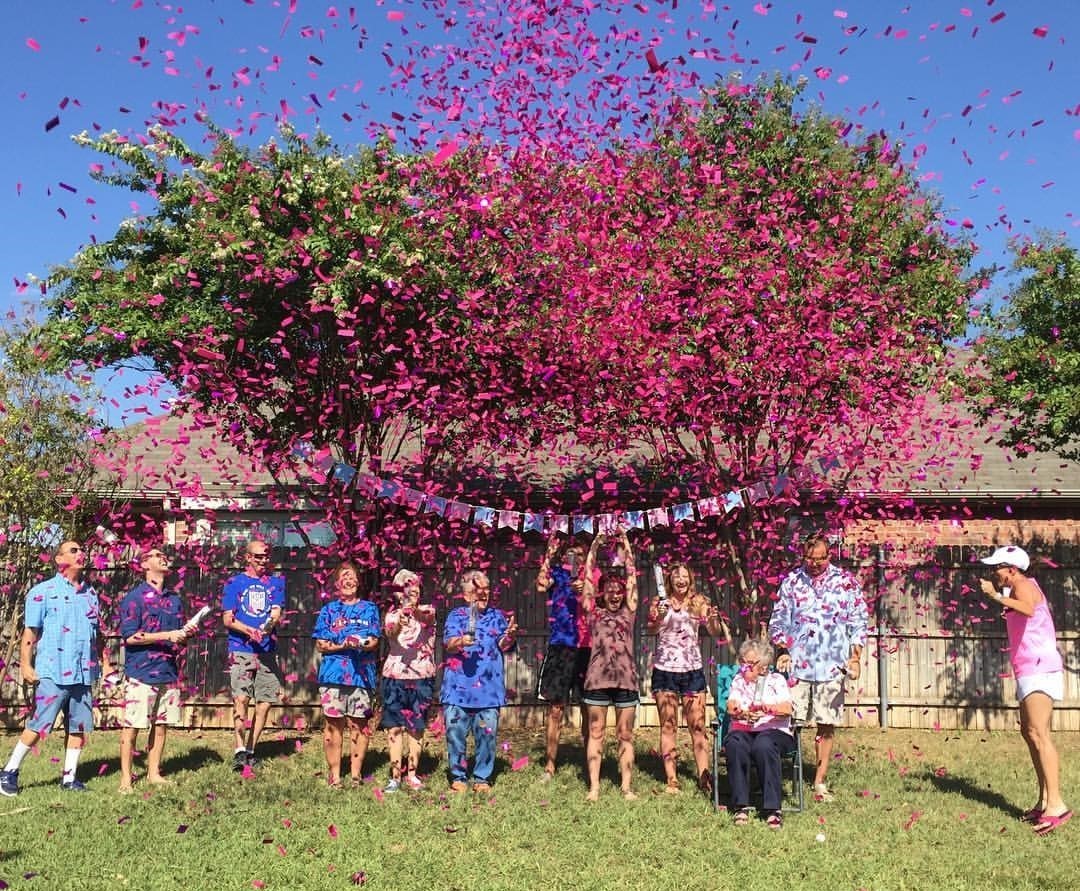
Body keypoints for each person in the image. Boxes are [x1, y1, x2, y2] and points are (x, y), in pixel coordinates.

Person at [0, 540, 109, 795]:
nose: (81, 553)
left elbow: (98, 635)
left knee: (79, 728)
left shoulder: (91, 595)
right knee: (40, 724)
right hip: (53, 671)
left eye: (81, 550)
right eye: (74, 550)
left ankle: (69, 778)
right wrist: (26, 665)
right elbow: (30, 632)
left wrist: (106, 664)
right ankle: (9, 771)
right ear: (59, 560)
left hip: (83, 672)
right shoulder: (42, 591)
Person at [979, 545, 1071, 835]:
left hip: (1040, 667)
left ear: (1011, 569)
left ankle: (1056, 804)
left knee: (1040, 734)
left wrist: (994, 596)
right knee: (1029, 732)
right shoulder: (1015, 586)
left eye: (997, 567)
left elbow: (1029, 608)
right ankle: (1044, 800)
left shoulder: (1023, 584)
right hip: (1029, 667)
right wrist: (1000, 596)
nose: (993, 571)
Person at [768, 534, 866, 802]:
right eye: (808, 559)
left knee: (826, 725)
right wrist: (783, 649)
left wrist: (854, 657)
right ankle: (787, 775)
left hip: (831, 667)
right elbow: (778, 620)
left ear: (829, 556)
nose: (813, 564)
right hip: (797, 667)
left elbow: (858, 622)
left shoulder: (845, 583)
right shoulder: (792, 582)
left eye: (819, 559)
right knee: (791, 722)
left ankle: (819, 782)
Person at [645, 562, 724, 795]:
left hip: (692, 671)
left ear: (690, 579)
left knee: (698, 726)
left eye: (685, 576)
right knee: (668, 726)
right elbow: (651, 630)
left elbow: (715, 632)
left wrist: (711, 618)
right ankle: (672, 779)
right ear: (669, 580)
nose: (681, 580)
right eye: (676, 576)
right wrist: (658, 617)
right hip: (665, 670)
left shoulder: (699, 602)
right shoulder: (660, 602)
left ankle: (704, 777)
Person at [118, 546, 190, 793]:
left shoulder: (175, 600)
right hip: (141, 672)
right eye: (157, 555)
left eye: (164, 555)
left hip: (168, 672)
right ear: (145, 564)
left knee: (161, 726)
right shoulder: (134, 599)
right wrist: (167, 635)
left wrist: (183, 636)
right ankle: (126, 779)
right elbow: (130, 637)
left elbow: (177, 635)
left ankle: (154, 773)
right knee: (133, 727)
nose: (164, 558)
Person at [441, 569, 518, 792]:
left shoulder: (497, 616)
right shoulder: (456, 616)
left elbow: (504, 645)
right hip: (457, 687)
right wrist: (461, 641)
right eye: (477, 589)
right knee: (455, 733)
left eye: (486, 589)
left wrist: (510, 635)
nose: (483, 594)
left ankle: (482, 778)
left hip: (488, 689)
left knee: (487, 734)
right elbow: (448, 644)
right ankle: (458, 776)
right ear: (466, 595)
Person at [580, 530, 639, 802]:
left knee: (625, 734)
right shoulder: (594, 612)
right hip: (597, 681)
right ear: (603, 593)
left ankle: (626, 787)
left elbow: (632, 580)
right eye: (610, 591)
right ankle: (594, 787)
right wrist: (594, 546)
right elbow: (588, 579)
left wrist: (625, 544)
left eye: (619, 591)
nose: (615, 595)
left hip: (626, 682)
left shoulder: (629, 612)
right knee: (596, 732)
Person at [312, 561, 381, 789]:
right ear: (337, 584)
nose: (349, 581)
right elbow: (322, 644)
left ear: (358, 581)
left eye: (352, 577)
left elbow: (373, 641)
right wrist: (344, 644)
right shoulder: (328, 610)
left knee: (360, 725)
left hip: (362, 676)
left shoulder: (370, 608)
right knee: (333, 726)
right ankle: (334, 776)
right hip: (333, 675)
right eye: (344, 577)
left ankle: (355, 775)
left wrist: (361, 643)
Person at [222, 539, 286, 772]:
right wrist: (249, 630)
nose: (263, 560)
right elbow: (227, 619)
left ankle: (251, 749)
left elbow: (276, 612)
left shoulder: (276, 583)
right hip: (241, 648)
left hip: (267, 650)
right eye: (258, 556)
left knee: (265, 702)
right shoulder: (234, 583)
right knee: (241, 699)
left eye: (266, 556)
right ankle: (239, 749)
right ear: (247, 557)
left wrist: (267, 627)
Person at [534, 534, 590, 781]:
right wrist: (549, 553)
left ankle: (591, 762)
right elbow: (540, 585)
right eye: (571, 554)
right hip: (560, 646)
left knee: (589, 708)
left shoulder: (594, 575)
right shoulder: (557, 573)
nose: (576, 558)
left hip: (586, 648)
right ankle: (550, 764)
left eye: (580, 554)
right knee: (555, 709)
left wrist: (586, 588)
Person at [725, 639, 795, 829]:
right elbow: (731, 705)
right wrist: (739, 710)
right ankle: (741, 806)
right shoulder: (739, 680)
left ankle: (773, 809)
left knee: (763, 744)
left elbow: (787, 709)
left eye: (751, 663)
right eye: (743, 662)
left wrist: (768, 709)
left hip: (775, 731)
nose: (745, 666)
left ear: (764, 666)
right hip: (745, 729)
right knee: (734, 742)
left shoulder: (777, 680)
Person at [380, 568, 436, 792]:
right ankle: (395, 776)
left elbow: (425, 617)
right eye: (404, 587)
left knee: (416, 727)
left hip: (422, 676)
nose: (409, 591)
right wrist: (400, 621)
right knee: (393, 728)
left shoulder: (428, 611)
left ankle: (412, 775)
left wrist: (413, 611)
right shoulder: (392, 615)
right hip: (394, 676)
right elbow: (391, 632)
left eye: (413, 586)